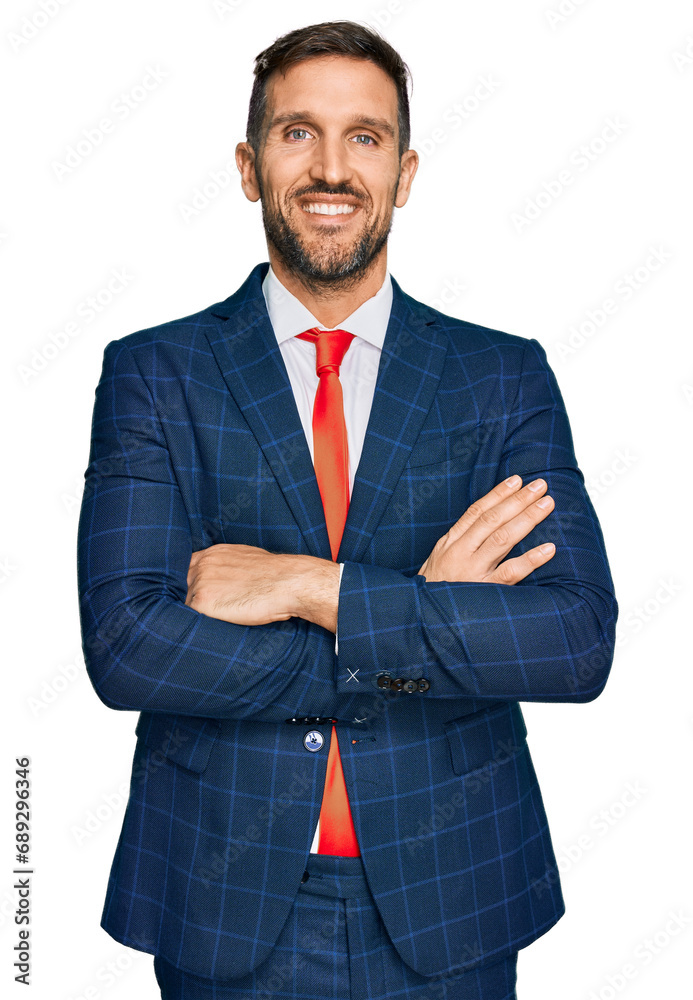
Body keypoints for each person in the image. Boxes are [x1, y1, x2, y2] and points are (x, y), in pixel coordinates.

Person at [77, 20, 618, 1000]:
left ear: (405, 172)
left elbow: (573, 641)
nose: (333, 167)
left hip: (451, 891)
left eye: (364, 137)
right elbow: (128, 647)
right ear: (249, 166)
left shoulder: (500, 378)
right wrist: (421, 621)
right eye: (298, 133)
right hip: (222, 892)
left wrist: (309, 586)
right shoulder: (154, 375)